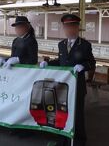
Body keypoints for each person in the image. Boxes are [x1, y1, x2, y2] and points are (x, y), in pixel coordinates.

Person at [40, 14, 96, 146]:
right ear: (64, 28)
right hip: (63, 87)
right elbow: (61, 61)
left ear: (77, 28)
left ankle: (79, 141)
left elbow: (92, 63)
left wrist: (83, 66)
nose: (69, 30)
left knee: (77, 116)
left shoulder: (85, 45)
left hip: (77, 87)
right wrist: (49, 63)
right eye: (67, 27)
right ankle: (63, 140)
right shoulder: (62, 44)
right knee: (62, 114)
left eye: (72, 26)